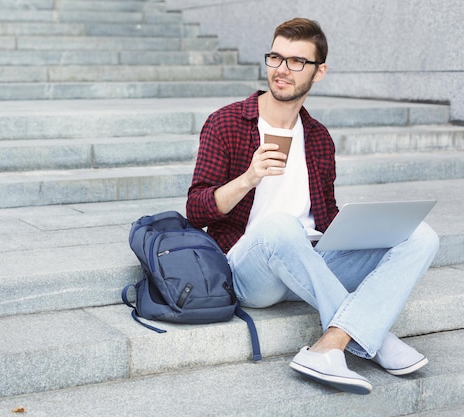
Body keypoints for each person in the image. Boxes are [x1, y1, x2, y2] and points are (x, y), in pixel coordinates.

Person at [186, 17, 439, 394]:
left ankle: (330, 344)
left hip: (309, 260)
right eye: (275, 57)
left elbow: (326, 215)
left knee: (421, 236)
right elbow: (196, 209)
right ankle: (374, 336)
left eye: (296, 62)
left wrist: (357, 227)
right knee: (281, 225)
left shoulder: (318, 138)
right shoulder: (227, 123)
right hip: (252, 269)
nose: (282, 70)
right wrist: (248, 178)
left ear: (319, 72)